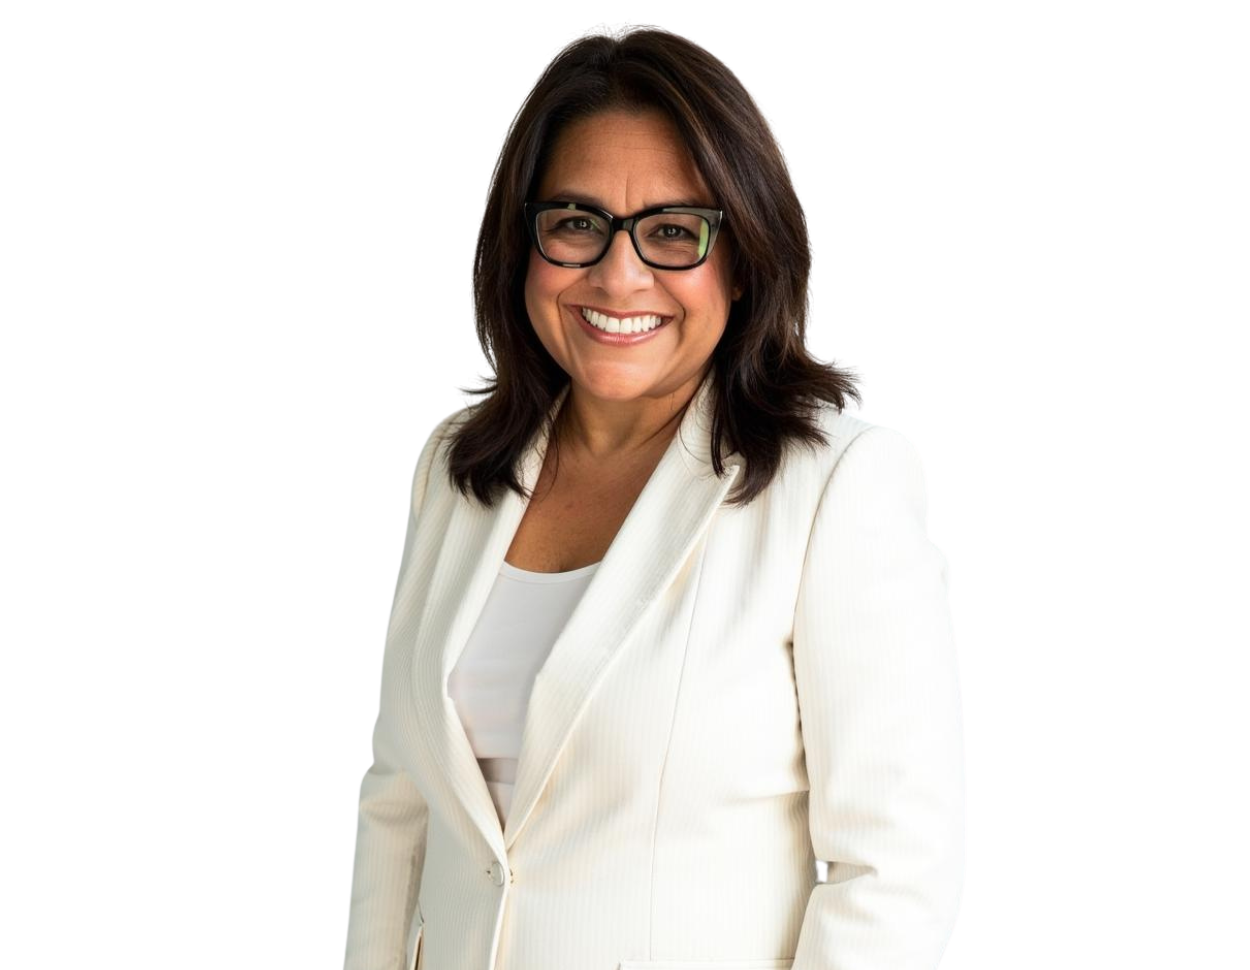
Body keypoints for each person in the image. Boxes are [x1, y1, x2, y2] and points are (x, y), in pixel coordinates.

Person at [343, 21, 965, 970]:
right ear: (525, 242)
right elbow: (401, 807)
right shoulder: (455, 464)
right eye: (577, 222)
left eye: (674, 231)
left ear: (745, 253)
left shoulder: (840, 486)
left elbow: (895, 870)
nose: (618, 273)